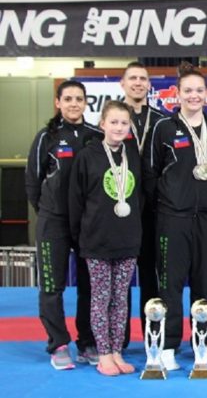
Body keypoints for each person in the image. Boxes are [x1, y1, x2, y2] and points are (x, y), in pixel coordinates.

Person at [142, 62, 207, 370]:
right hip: (173, 218)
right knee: (171, 283)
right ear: (177, 94)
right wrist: (168, 203)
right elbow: (150, 174)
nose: (194, 96)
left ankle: (206, 342)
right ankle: (168, 345)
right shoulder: (163, 128)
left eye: (199, 90)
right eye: (188, 90)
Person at [25, 80, 100, 370]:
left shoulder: (96, 136)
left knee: (89, 285)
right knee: (51, 286)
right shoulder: (46, 137)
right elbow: (33, 181)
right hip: (53, 221)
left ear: (86, 102)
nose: (73, 104)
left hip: (87, 222)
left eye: (79, 99)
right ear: (58, 102)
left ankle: (88, 342)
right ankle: (58, 343)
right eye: (68, 98)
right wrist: (49, 210)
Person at [68, 100, 141, 376]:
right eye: (114, 122)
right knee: (100, 298)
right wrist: (80, 236)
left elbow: (141, 196)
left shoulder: (132, 154)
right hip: (96, 238)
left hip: (127, 238)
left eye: (124, 123)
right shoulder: (88, 156)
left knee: (120, 299)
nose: (119, 127)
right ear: (102, 124)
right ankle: (103, 354)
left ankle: (117, 351)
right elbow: (76, 200)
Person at [119, 61, 165, 344]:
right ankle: (118, 339)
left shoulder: (161, 120)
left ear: (149, 85)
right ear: (123, 84)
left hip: (153, 211)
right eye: (133, 78)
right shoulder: (113, 119)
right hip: (120, 211)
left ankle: (153, 338)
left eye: (143, 78)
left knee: (151, 276)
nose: (138, 83)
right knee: (120, 279)